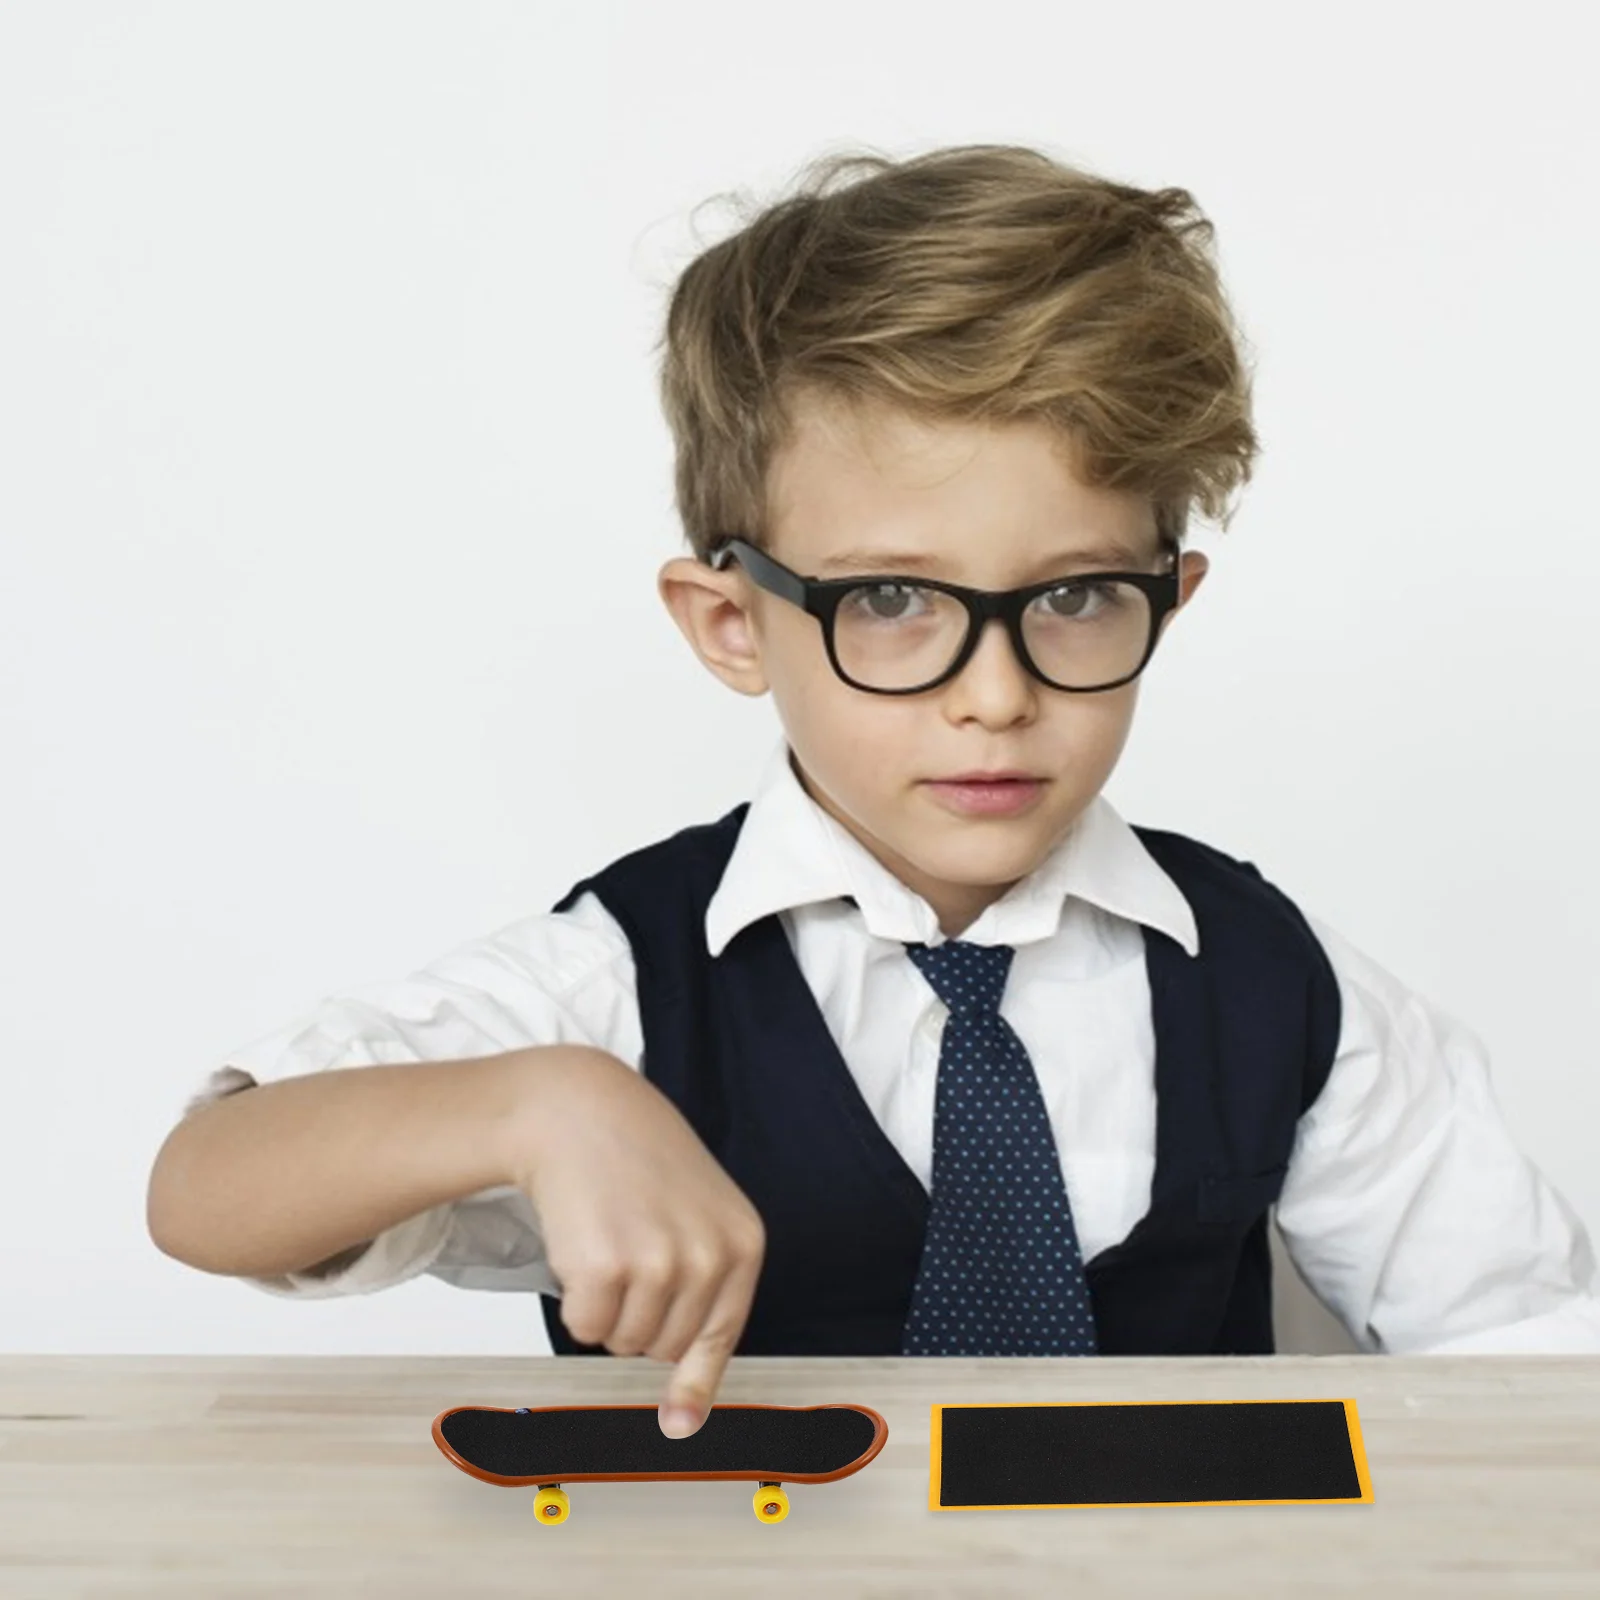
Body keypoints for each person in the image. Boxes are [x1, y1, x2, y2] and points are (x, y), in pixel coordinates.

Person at [146, 143, 1600, 1443]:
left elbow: (1530, 1363)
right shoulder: (627, 980)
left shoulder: (1280, 984)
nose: (996, 692)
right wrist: (540, 1104)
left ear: (1172, 596)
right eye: (895, 598)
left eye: (1079, 596)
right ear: (732, 625)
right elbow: (209, 1187)